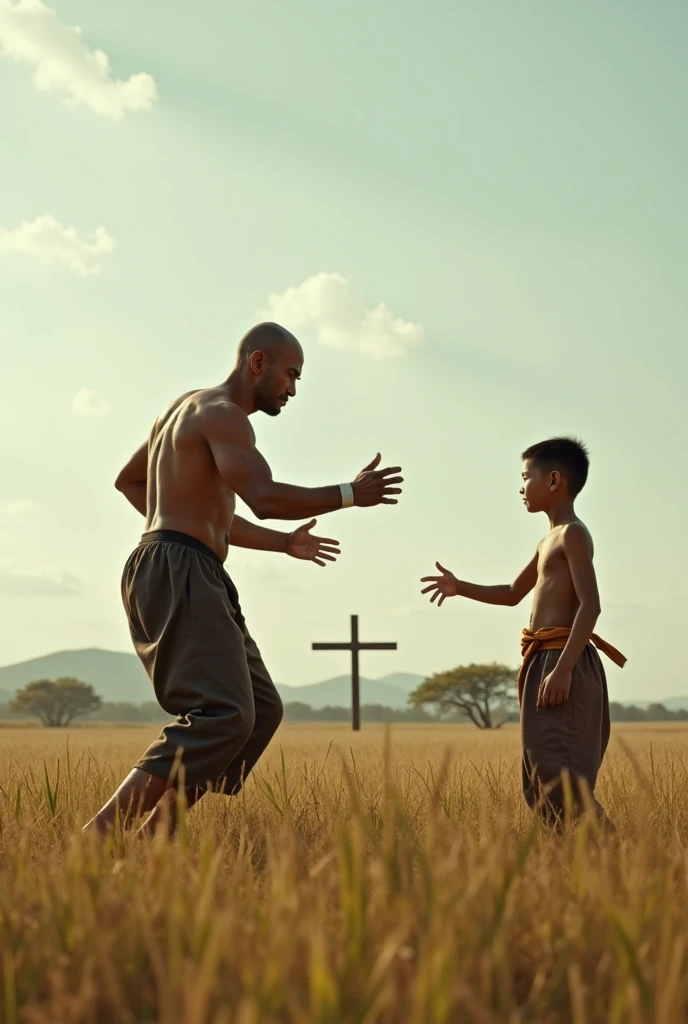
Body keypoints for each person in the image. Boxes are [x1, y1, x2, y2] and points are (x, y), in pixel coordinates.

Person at [84, 322, 403, 838]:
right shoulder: (224, 415)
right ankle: (95, 840)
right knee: (225, 713)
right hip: (179, 569)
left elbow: (131, 481)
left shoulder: (184, 408)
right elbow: (266, 496)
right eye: (290, 375)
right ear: (258, 363)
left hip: (187, 565)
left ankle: (153, 842)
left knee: (261, 710)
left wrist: (276, 542)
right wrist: (350, 493)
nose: (293, 389)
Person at [420, 437, 626, 827]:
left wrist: (563, 668)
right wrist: (460, 586)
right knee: (538, 775)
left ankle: (613, 854)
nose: (520, 487)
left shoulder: (572, 534)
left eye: (525, 476)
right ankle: (572, 864)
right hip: (541, 661)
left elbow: (591, 606)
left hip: (563, 659)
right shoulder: (548, 538)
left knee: (558, 773)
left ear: (553, 480)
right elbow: (513, 594)